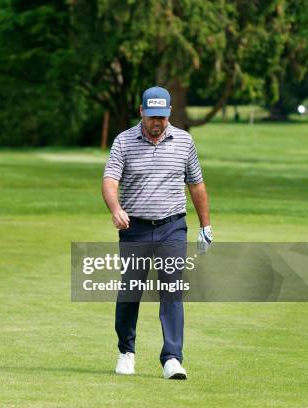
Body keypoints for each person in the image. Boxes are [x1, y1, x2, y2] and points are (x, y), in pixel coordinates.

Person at [101, 86, 212, 380]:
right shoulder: (124, 141)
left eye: (161, 117)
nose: (156, 123)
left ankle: (172, 359)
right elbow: (110, 180)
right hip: (134, 229)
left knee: (172, 291)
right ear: (141, 112)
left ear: (169, 114)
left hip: (172, 227)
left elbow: (197, 185)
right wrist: (115, 209)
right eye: (152, 117)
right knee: (130, 291)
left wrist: (206, 225)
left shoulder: (184, 142)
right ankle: (126, 352)